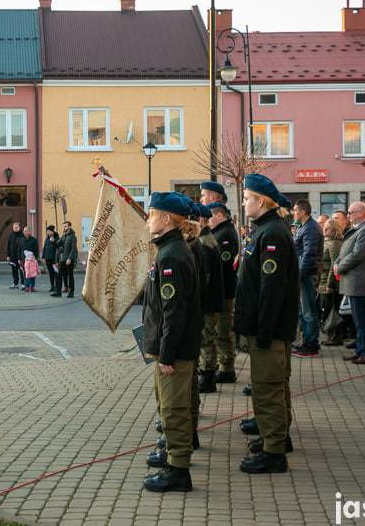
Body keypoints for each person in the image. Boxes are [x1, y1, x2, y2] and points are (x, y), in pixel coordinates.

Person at [234, 174, 298, 474]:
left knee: (268, 387)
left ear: (261, 201)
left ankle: (274, 452)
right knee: (274, 384)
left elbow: (270, 290)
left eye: (247, 197)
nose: (245, 201)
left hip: (269, 328)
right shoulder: (266, 229)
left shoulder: (271, 234)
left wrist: (263, 330)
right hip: (267, 326)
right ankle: (276, 438)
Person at [141, 192, 202, 493]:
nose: (148, 218)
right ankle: (172, 459)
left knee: (174, 408)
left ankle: (178, 469)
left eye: (152, 213)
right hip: (170, 347)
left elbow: (174, 311)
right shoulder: (170, 249)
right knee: (168, 405)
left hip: (174, 351)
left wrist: (166, 354)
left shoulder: (172, 255)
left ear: (166, 219)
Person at [199, 201, 237, 390]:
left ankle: (219, 370)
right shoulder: (213, 235)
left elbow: (218, 269)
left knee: (217, 334)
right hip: (218, 293)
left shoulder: (221, 235)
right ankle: (219, 368)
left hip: (220, 293)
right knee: (215, 334)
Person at [336, 202, 365, 364]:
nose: (349, 215)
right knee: (357, 319)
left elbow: (357, 255)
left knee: (362, 319)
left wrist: (340, 267)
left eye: (351, 212)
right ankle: (360, 349)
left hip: (359, 280)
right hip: (353, 280)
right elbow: (345, 250)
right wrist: (338, 262)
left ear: (362, 213)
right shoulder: (359, 228)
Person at [291, 199, 324, 358]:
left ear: (303, 212)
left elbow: (309, 255)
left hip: (306, 275)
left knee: (308, 311)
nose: (293, 212)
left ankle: (312, 345)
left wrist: (299, 275)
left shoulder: (310, 228)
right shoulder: (305, 227)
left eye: (296, 210)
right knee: (303, 312)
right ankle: (306, 342)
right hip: (303, 274)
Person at [320, 220, 345, 346]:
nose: (324, 230)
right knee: (327, 310)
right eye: (324, 228)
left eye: (328, 228)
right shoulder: (327, 242)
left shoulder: (335, 243)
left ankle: (336, 336)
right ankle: (332, 335)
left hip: (330, 283)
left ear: (334, 230)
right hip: (323, 281)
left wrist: (330, 285)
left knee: (332, 310)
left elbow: (334, 265)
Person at [53, 221, 78, 298]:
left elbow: (73, 249)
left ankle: (71, 292)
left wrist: (70, 258)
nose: (64, 228)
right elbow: (57, 245)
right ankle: (58, 292)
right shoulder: (63, 236)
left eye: (66, 226)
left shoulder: (73, 236)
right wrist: (53, 241)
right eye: (63, 226)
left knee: (70, 276)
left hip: (69, 259)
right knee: (59, 275)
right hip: (63, 259)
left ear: (69, 227)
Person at [6, 222, 24, 288]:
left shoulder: (22, 235)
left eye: (16, 227)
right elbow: (8, 245)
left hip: (20, 257)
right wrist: (8, 255)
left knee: (22, 270)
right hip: (12, 256)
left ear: (19, 227)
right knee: (14, 271)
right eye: (14, 227)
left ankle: (23, 283)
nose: (15, 228)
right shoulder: (11, 235)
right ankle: (15, 283)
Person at [42, 226, 59, 292]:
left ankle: (57, 286)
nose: (47, 233)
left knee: (56, 273)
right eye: (47, 232)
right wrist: (43, 257)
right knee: (50, 273)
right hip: (48, 258)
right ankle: (52, 286)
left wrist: (53, 241)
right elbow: (44, 248)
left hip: (54, 259)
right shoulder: (47, 238)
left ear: (52, 231)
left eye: (49, 231)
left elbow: (58, 246)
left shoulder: (57, 238)